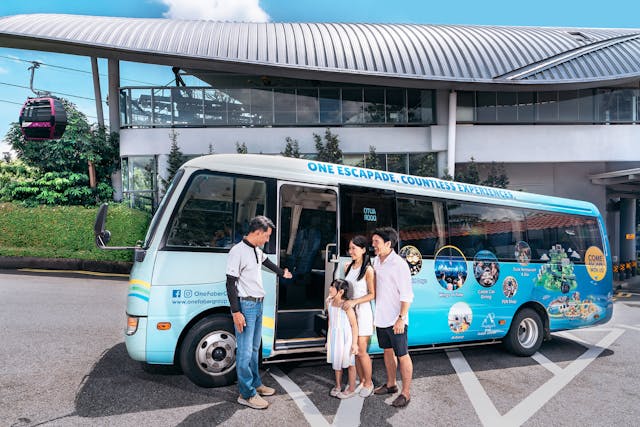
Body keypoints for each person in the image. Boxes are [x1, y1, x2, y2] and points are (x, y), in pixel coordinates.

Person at [226, 215, 292, 410]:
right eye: (267, 235)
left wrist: (282, 273)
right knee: (245, 352)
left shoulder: (256, 250)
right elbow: (230, 283)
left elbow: (267, 263)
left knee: (254, 349)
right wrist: (236, 312)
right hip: (245, 306)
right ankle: (246, 394)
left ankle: (255, 384)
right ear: (257, 232)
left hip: (258, 305)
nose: (268, 239)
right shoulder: (237, 251)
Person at [371, 227, 414, 408]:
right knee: (387, 351)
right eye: (373, 242)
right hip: (381, 317)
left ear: (388, 244)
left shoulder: (399, 264)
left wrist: (401, 318)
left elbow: (407, 295)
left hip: (397, 319)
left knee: (402, 354)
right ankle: (391, 384)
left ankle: (406, 393)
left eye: (376, 242)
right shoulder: (376, 261)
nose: (373, 245)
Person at [341, 235, 376, 397]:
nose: (351, 251)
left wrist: (355, 302)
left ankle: (368, 383)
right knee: (353, 350)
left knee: (362, 351)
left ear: (363, 250)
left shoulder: (368, 270)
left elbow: (372, 294)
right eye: (349, 248)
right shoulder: (348, 267)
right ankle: (361, 380)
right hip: (350, 314)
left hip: (363, 314)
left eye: (354, 248)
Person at [326, 279, 359, 399]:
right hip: (335, 336)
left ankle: (351, 388)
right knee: (336, 362)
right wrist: (328, 339)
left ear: (340, 292)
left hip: (346, 337)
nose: (330, 289)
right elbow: (330, 320)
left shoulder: (346, 306)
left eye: (332, 287)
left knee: (350, 363)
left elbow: (354, 325)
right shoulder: (329, 303)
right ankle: (338, 386)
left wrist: (354, 343)